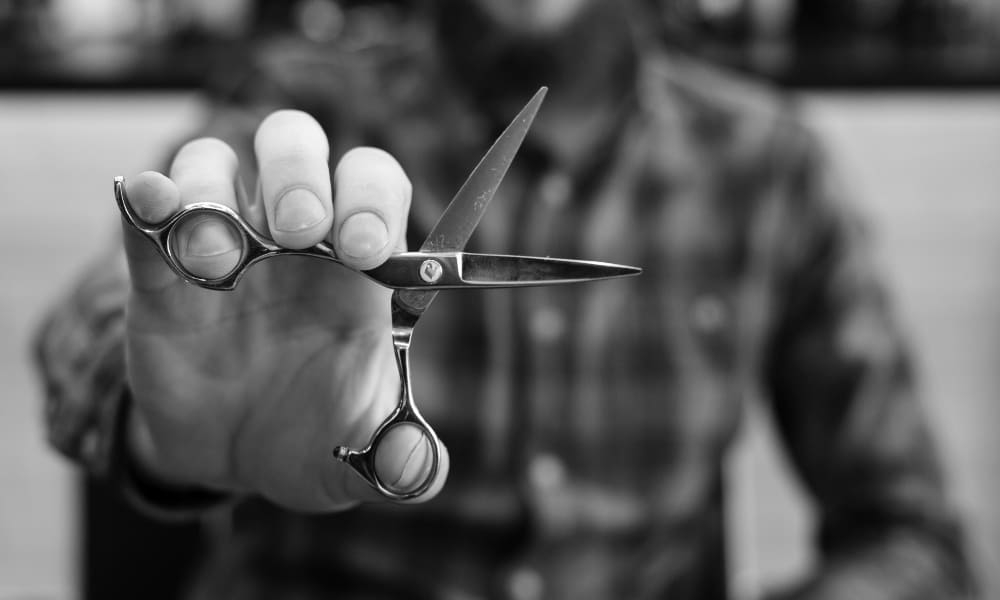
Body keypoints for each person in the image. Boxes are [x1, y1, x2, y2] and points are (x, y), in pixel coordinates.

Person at [34, 0, 975, 598]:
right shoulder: (302, 104)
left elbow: (914, 540)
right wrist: (168, 430)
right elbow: (85, 336)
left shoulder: (766, 164)